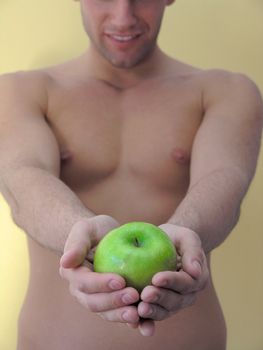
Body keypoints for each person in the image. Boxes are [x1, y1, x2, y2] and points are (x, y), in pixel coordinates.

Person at [0, 0, 262, 349]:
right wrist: (80, 237)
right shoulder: (19, 91)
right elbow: (22, 180)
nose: (124, 17)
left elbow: (225, 181)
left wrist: (184, 235)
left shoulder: (227, 91)